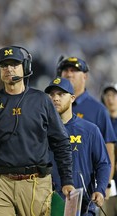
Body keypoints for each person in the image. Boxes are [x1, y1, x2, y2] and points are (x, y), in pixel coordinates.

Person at [0, 45, 75, 216]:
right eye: (4, 65)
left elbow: (61, 142)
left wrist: (67, 180)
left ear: (25, 67)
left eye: (14, 64)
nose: (9, 69)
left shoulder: (42, 101)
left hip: (35, 183)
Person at [45, 77, 111, 216]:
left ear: (72, 98)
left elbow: (103, 164)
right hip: (47, 204)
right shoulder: (40, 131)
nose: (55, 98)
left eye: (61, 94)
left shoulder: (90, 130)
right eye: (52, 95)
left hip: (82, 206)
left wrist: (100, 189)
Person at [57, 57, 116, 197]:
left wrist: (105, 184)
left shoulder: (98, 110)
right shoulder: (52, 107)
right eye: (65, 70)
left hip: (86, 188)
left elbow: (108, 150)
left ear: (85, 76)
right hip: (55, 186)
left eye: (74, 70)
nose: (69, 74)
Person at [101, 83, 117, 216]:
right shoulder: (101, 123)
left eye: (114, 95)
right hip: (108, 181)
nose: (110, 98)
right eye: (108, 95)